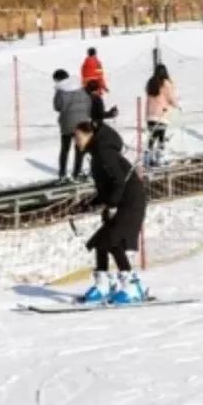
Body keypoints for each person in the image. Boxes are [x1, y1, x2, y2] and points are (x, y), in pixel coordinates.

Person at [75, 120, 148, 305]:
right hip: (121, 200)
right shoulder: (97, 154)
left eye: (79, 137)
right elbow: (107, 187)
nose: (76, 142)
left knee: (113, 239)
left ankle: (132, 286)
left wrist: (112, 204)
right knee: (101, 242)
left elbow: (119, 182)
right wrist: (89, 203)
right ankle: (103, 284)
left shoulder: (103, 152)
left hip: (131, 201)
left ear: (90, 135)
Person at [52, 70, 90, 181]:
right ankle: (77, 173)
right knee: (80, 149)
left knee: (65, 149)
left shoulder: (61, 90)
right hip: (83, 122)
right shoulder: (81, 87)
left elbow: (57, 106)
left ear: (58, 79)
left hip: (68, 122)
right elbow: (89, 103)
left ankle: (62, 173)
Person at [144, 64, 179, 167]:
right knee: (161, 137)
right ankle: (160, 159)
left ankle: (148, 159)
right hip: (161, 114)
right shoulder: (166, 83)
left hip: (150, 115)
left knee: (152, 137)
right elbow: (171, 97)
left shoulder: (150, 82)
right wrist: (177, 105)